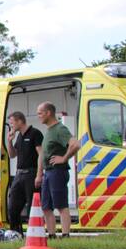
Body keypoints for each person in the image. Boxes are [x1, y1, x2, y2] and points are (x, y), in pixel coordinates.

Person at [34, 102, 80, 238]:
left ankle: (65, 235)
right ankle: (52, 235)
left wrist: (64, 158)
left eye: (40, 113)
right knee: (46, 207)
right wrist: (40, 174)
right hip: (48, 172)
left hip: (57, 171)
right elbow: (42, 155)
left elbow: (75, 144)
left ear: (48, 113)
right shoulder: (49, 131)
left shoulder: (60, 129)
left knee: (61, 205)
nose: (38, 116)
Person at [5, 111, 43, 233]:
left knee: (33, 206)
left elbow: (41, 154)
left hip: (31, 174)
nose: (11, 127)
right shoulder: (19, 136)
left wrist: (39, 175)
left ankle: (36, 234)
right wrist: (10, 141)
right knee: (12, 207)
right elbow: (12, 155)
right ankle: (16, 233)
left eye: (12, 123)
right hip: (19, 174)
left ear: (19, 121)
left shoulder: (35, 133)